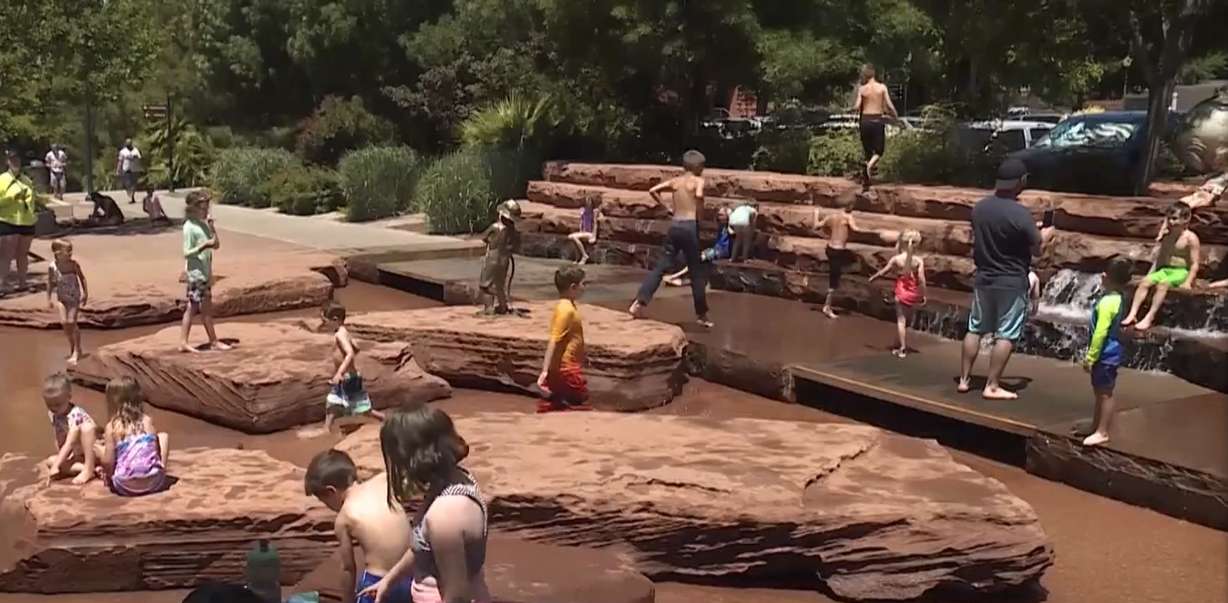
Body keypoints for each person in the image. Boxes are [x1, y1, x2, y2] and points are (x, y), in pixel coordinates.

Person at [358, 405, 491, 603]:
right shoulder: (455, 479)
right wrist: (389, 580)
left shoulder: (446, 515)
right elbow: (422, 546)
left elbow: (457, 596)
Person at [958, 159, 1055, 400]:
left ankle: (964, 379)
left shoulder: (979, 208)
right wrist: (1045, 236)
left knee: (975, 328)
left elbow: (992, 233)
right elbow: (1037, 251)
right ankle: (991, 386)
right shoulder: (1020, 213)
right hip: (1011, 281)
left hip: (984, 278)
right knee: (1007, 334)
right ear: (1020, 181)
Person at [305, 449, 414, 603]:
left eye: (324, 501)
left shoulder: (344, 517)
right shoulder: (382, 481)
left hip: (378, 582)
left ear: (331, 491)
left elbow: (348, 568)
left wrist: (348, 599)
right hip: (411, 571)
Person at [629, 150, 713, 328]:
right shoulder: (698, 181)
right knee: (696, 271)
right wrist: (701, 214)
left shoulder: (676, 181)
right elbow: (698, 195)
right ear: (698, 167)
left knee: (661, 267)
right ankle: (702, 315)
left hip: (675, 225)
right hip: (690, 226)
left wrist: (667, 207)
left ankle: (639, 303)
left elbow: (653, 190)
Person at [1122, 202, 1201, 332]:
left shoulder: (1191, 239)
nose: (1170, 222)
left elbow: (1194, 264)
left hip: (1181, 272)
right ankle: (1132, 314)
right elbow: (1160, 259)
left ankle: (1150, 316)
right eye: (1169, 218)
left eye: (1174, 218)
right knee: (1145, 282)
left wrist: (1188, 282)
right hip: (1166, 270)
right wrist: (1150, 274)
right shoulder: (1167, 236)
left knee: (1163, 284)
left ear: (1186, 219)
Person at [1080, 257, 1132, 447]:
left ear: (1107, 277)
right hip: (1110, 352)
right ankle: (1096, 426)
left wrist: (1091, 357)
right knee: (1100, 391)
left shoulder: (1108, 302)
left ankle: (1102, 431)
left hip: (1106, 354)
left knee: (1105, 393)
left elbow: (1101, 332)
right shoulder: (1118, 298)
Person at [536, 266, 594, 413]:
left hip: (569, 365)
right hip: (566, 368)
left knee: (574, 398)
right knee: (579, 399)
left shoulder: (567, 306)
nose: (584, 287)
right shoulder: (566, 310)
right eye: (583, 284)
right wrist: (545, 371)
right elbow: (554, 341)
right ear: (573, 287)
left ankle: (557, 400)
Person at [100, 376, 170, 496]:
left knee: (100, 449)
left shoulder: (112, 426)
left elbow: (108, 462)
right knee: (163, 436)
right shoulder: (147, 420)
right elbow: (156, 450)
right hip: (155, 481)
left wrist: (109, 476)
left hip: (124, 484)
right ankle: (160, 469)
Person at [180, 190, 231, 353]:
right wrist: (203, 246)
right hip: (196, 274)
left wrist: (212, 227)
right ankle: (213, 341)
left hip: (205, 272)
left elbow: (215, 244)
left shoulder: (202, 224)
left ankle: (184, 342)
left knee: (193, 306)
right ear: (195, 207)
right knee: (202, 307)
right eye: (203, 205)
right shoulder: (189, 227)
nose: (207, 208)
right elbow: (186, 252)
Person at [321, 301, 383, 433]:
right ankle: (326, 429)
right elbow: (356, 347)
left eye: (325, 320)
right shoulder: (344, 331)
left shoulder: (339, 335)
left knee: (363, 409)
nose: (324, 324)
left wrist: (339, 372)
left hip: (347, 378)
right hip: (349, 377)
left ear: (335, 319)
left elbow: (350, 353)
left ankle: (385, 420)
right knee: (332, 403)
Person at [869, 230, 927, 358]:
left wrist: (873, 277)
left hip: (901, 292)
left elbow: (884, 271)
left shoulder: (896, 259)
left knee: (901, 320)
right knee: (907, 320)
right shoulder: (918, 261)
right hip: (913, 292)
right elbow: (922, 279)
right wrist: (923, 294)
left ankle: (902, 348)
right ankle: (898, 342)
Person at [41, 373, 100, 485]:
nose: (53, 409)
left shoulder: (75, 414)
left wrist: (57, 466)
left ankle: (89, 467)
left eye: (58, 405)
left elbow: (70, 442)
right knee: (50, 461)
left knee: (55, 463)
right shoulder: (53, 413)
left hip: (91, 452)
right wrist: (59, 458)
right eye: (49, 405)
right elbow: (58, 435)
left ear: (69, 397)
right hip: (75, 454)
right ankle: (89, 469)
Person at [815, 195, 867, 319]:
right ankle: (827, 306)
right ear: (849, 206)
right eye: (852, 206)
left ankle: (831, 299)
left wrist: (815, 214)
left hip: (830, 249)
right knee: (834, 280)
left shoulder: (831, 216)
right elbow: (856, 229)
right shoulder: (848, 217)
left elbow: (816, 225)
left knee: (838, 272)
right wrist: (871, 230)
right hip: (838, 251)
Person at [853, 64, 898, 191]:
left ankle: (867, 182)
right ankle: (869, 167)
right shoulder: (882, 88)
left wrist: (852, 108)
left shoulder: (862, 89)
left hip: (865, 121)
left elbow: (856, 106)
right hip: (877, 120)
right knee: (879, 151)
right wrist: (895, 116)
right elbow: (889, 106)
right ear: (874, 74)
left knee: (868, 152)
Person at [0, 149, 38, 296]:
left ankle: (23, 283)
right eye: (12, 159)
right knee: (6, 254)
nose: (16, 162)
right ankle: (2, 283)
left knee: (23, 254)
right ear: (7, 162)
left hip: (26, 221)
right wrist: (12, 198)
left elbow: (32, 198)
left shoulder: (26, 180)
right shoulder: (2, 180)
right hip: (8, 220)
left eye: (18, 159)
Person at [665, 206, 731, 286]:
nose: (719, 217)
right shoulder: (721, 226)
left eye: (721, 215)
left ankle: (675, 276)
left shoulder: (730, 227)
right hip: (715, 249)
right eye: (718, 215)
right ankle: (682, 278)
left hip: (721, 251)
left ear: (727, 216)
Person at [47, 239, 89, 365]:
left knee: (72, 321)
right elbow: (50, 282)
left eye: (71, 250)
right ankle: (73, 346)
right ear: (57, 252)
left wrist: (85, 294)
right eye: (68, 250)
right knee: (64, 323)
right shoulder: (52, 267)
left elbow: (82, 277)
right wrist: (48, 298)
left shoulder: (73, 264)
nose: (70, 252)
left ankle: (77, 350)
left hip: (74, 298)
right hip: (61, 298)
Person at [478, 200, 522, 315]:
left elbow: (484, 237)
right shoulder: (514, 232)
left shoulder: (495, 227)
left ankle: (489, 308)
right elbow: (516, 246)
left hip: (493, 258)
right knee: (500, 285)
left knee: (485, 285)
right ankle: (503, 306)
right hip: (505, 259)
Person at [568, 197, 600, 265]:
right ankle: (578, 257)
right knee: (571, 237)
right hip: (583, 232)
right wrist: (580, 231)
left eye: (589, 201)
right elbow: (581, 222)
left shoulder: (594, 211)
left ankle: (584, 256)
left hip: (590, 233)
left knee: (574, 237)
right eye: (587, 200)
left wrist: (594, 236)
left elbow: (595, 223)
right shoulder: (582, 210)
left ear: (592, 202)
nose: (588, 202)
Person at [116, 139, 142, 204]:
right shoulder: (123, 152)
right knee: (128, 184)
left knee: (134, 184)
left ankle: (132, 197)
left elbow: (139, 158)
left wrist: (134, 157)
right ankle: (130, 195)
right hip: (126, 169)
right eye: (127, 144)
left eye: (129, 144)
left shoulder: (135, 150)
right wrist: (118, 170)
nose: (128, 145)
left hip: (135, 169)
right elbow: (120, 161)